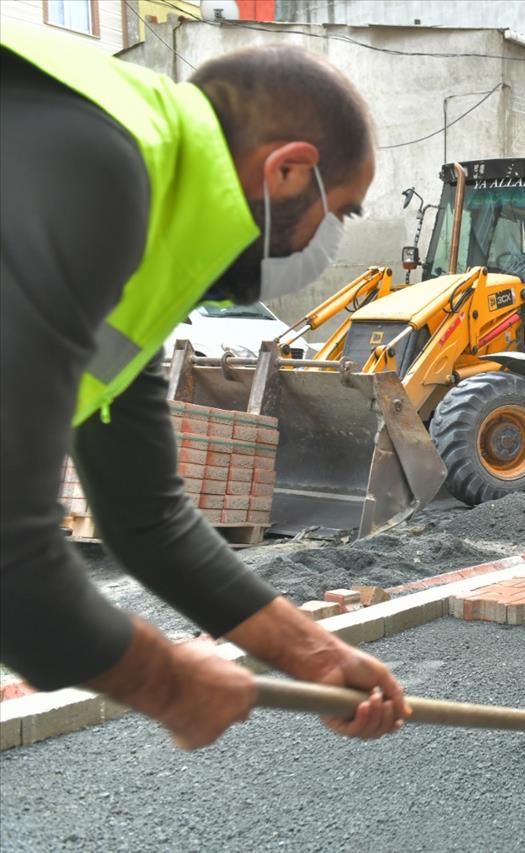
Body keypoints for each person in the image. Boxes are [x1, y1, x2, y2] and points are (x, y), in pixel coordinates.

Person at [0, 28, 409, 749]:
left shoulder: (145, 237)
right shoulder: (98, 163)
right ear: (288, 169)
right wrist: (167, 681)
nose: (331, 241)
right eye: (341, 211)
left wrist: (316, 654)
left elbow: (149, 520)